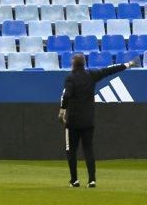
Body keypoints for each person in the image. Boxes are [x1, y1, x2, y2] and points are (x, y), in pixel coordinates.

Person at [59, 54, 139, 188]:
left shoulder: (70, 78)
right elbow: (109, 70)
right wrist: (127, 64)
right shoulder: (91, 75)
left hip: (72, 120)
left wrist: (62, 110)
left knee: (71, 150)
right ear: (84, 63)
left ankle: (74, 180)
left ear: (73, 64)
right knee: (88, 149)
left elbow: (66, 95)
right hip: (88, 120)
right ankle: (92, 180)